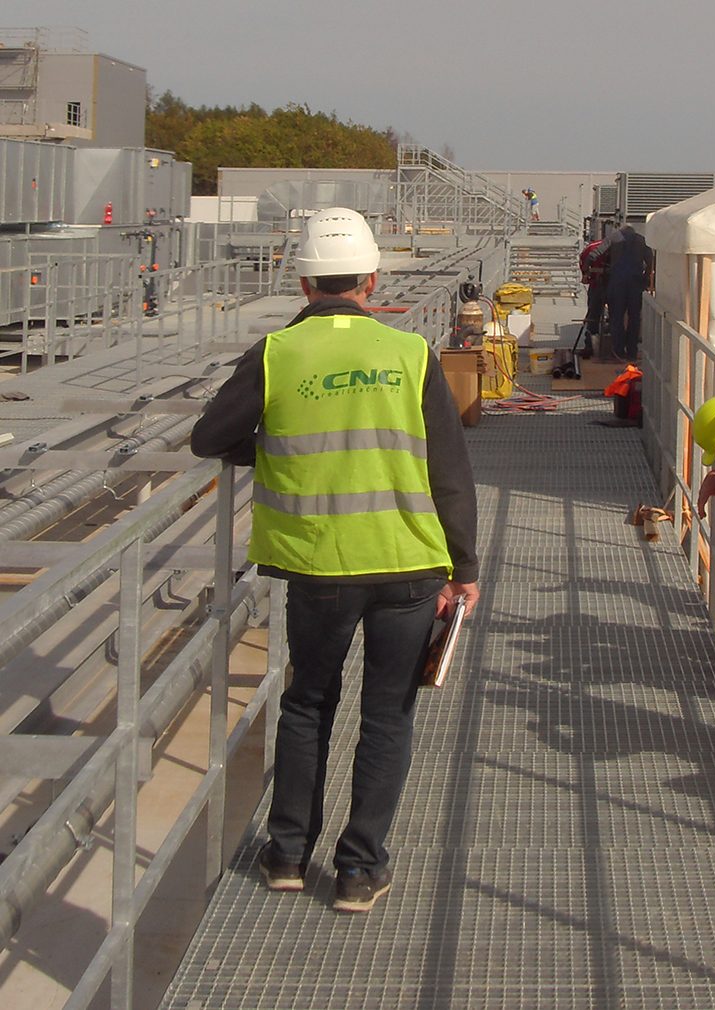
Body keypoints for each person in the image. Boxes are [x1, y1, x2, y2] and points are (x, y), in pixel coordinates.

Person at [191, 207, 480, 913]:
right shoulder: (411, 355)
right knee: (388, 715)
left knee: (308, 704)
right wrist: (463, 566)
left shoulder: (277, 354)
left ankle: (287, 854)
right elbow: (450, 469)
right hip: (409, 569)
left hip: (318, 567)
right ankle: (359, 870)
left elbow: (211, 438)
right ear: (372, 280)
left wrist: (262, 446)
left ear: (304, 280)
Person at [586, 224, 652, 360]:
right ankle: (632, 352)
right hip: (636, 284)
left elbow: (594, 254)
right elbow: (651, 260)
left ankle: (618, 351)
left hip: (617, 284)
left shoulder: (613, 237)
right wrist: (645, 278)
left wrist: (587, 269)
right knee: (634, 318)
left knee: (616, 318)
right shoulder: (641, 240)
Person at [578, 238, 609, 359]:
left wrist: (586, 274)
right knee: (595, 317)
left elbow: (584, 261)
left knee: (593, 316)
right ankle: (593, 346)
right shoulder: (593, 248)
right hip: (608, 286)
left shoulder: (592, 248)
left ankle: (590, 346)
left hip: (600, 286)